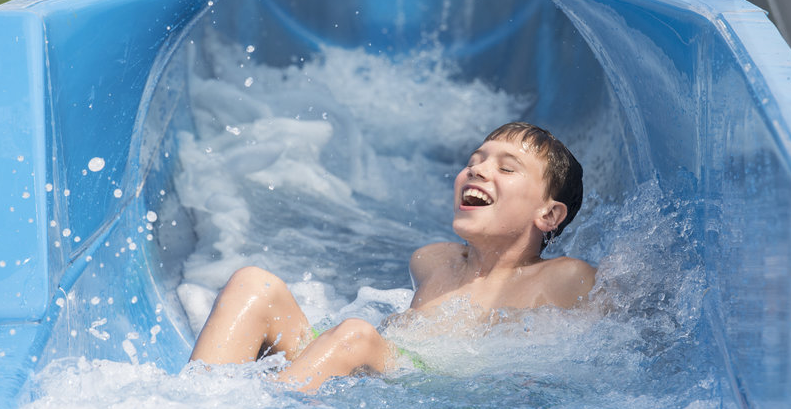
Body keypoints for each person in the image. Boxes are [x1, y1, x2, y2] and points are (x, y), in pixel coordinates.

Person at [189, 122, 596, 389]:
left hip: (435, 398)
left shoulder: (564, 279)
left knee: (355, 336)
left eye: (507, 169)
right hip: (365, 375)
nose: (478, 170)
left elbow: (607, 351)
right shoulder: (434, 261)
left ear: (549, 214)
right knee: (252, 283)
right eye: (474, 161)